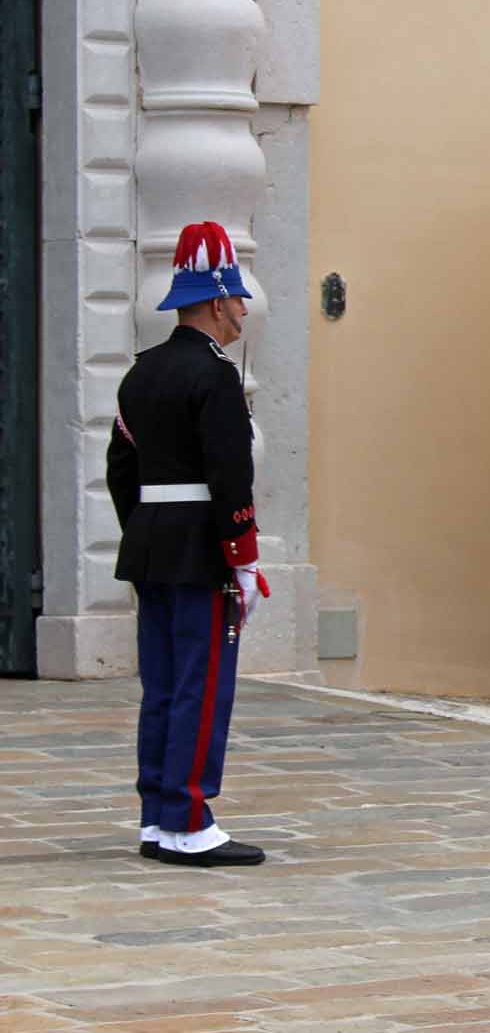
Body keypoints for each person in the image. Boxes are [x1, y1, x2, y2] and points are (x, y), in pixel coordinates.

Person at [108, 221, 269, 867]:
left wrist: (148, 531)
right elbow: (231, 473)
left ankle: (158, 815)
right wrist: (244, 557)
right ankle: (189, 818)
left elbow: (121, 471)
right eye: (237, 297)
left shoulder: (140, 375)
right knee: (203, 688)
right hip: (204, 550)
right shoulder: (215, 377)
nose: (243, 309)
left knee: (165, 685)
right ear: (216, 300)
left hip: (152, 546)